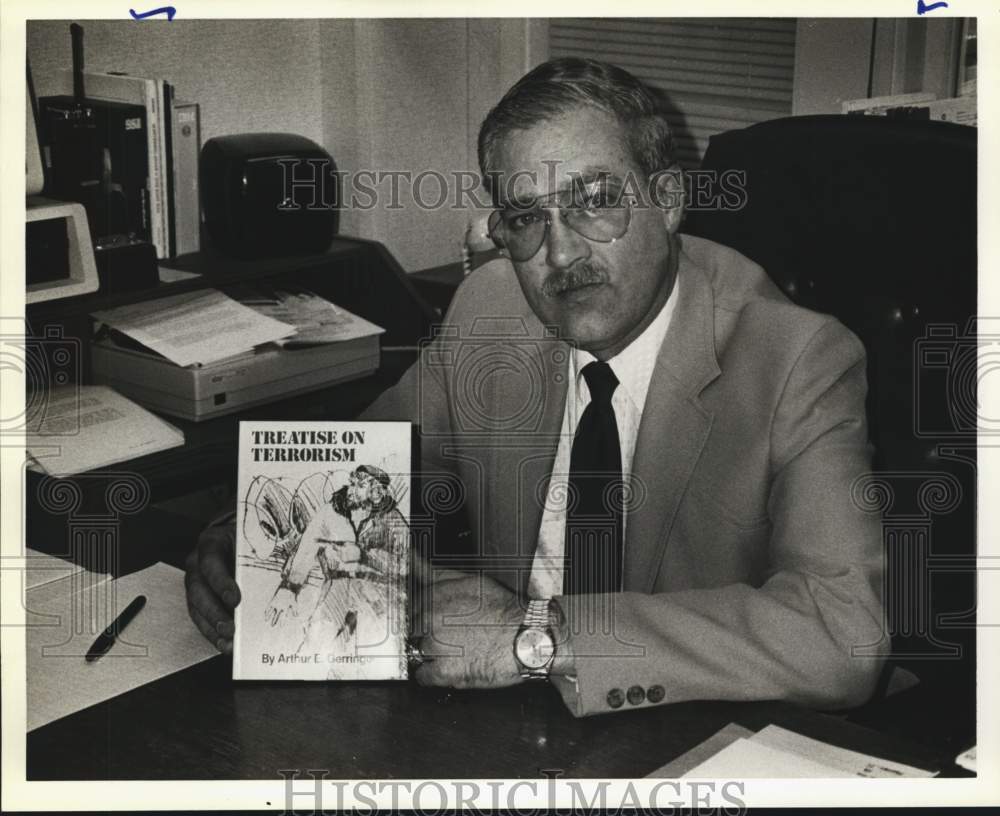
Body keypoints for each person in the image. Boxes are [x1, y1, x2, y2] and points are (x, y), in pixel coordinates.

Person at [186, 57, 885, 717]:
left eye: (595, 202)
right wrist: (239, 538)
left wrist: (542, 640)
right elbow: (348, 475)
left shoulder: (796, 358)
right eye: (526, 219)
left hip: (696, 736)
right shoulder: (491, 310)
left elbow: (842, 634)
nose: (560, 253)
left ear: (668, 201)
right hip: (509, 725)